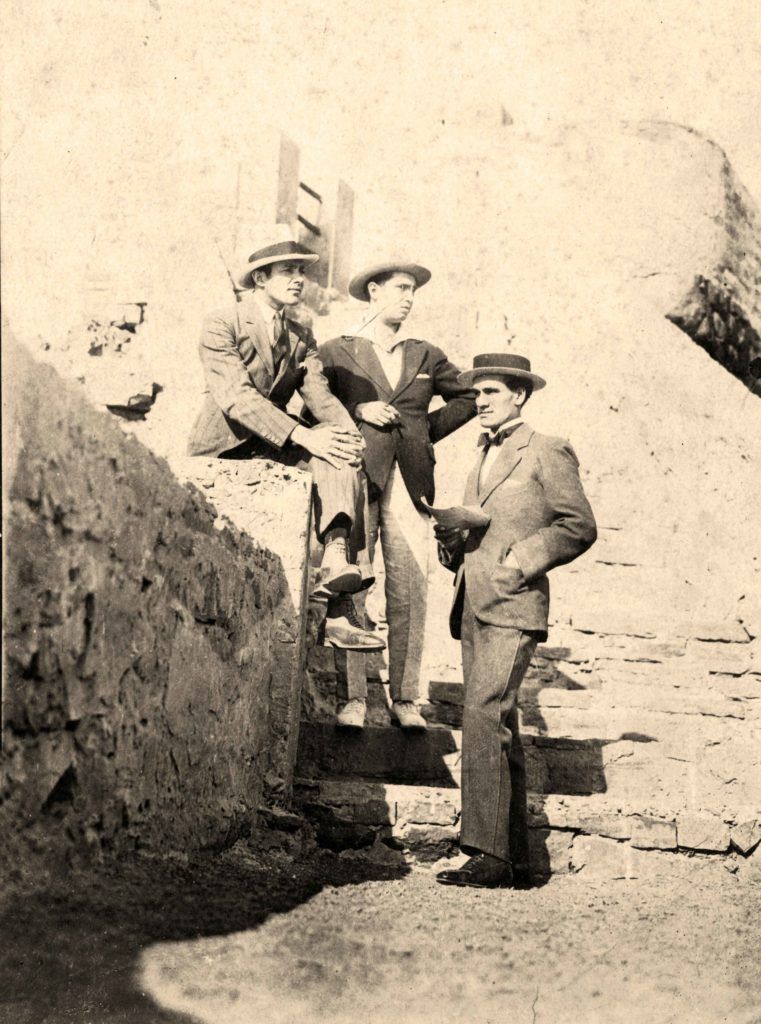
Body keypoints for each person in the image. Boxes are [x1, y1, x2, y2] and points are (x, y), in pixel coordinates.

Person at [434, 353, 597, 888]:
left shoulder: (546, 448)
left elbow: (578, 526)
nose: (480, 403)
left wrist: (520, 560)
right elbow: (481, 528)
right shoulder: (479, 452)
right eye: (476, 394)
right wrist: (452, 541)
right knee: (499, 720)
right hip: (473, 602)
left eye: (492, 393)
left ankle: (486, 853)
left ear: (520, 396)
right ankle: (518, 856)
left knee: (483, 712)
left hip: (514, 601)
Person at [187, 225, 383, 652]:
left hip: (271, 446)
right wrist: (302, 435)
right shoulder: (222, 323)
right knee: (320, 444)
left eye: (302, 271)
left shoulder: (301, 337)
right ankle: (336, 608)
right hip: (224, 450)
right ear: (260, 278)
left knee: (342, 451)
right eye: (287, 271)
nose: (299, 279)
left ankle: (337, 580)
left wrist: (349, 436)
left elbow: (322, 398)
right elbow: (236, 397)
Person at [318, 260, 476, 729]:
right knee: (355, 583)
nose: (408, 297)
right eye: (401, 288)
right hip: (356, 477)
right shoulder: (336, 350)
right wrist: (359, 407)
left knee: (409, 586)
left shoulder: (426, 354)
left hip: (410, 482)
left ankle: (406, 699)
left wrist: (422, 431)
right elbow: (311, 407)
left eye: (413, 291)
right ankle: (354, 700)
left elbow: (467, 397)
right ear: (373, 291)